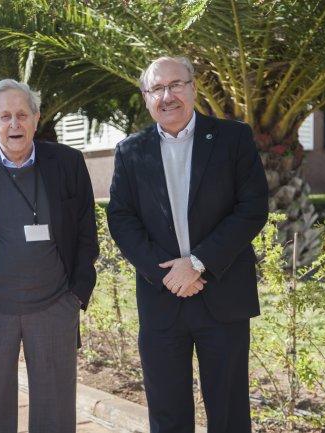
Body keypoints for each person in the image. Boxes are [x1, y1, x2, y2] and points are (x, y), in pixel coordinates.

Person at [107, 56, 269, 433]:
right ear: (146, 97)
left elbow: (252, 207)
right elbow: (121, 218)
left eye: (175, 85)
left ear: (193, 87)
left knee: (229, 412)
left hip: (222, 296)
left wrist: (196, 263)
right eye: (157, 89)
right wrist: (166, 273)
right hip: (162, 299)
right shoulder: (130, 151)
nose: (168, 96)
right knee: (167, 414)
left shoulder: (233, 138)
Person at [0, 79, 99, 433]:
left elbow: (85, 232)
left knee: (56, 409)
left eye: (22, 115)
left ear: (36, 118)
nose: (14, 124)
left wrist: (75, 295)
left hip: (54, 307)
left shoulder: (67, 163)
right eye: (5, 116)